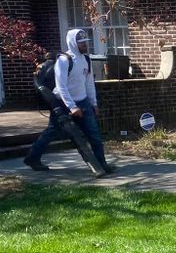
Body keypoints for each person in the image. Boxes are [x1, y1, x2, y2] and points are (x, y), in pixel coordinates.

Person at [24, 28, 114, 173]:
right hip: (62, 103)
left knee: (94, 134)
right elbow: (61, 87)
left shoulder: (86, 59)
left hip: (83, 102)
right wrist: (72, 107)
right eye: (82, 43)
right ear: (73, 43)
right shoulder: (64, 60)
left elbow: (89, 83)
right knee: (52, 132)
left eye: (86, 42)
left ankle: (102, 164)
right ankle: (32, 158)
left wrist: (93, 103)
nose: (85, 45)